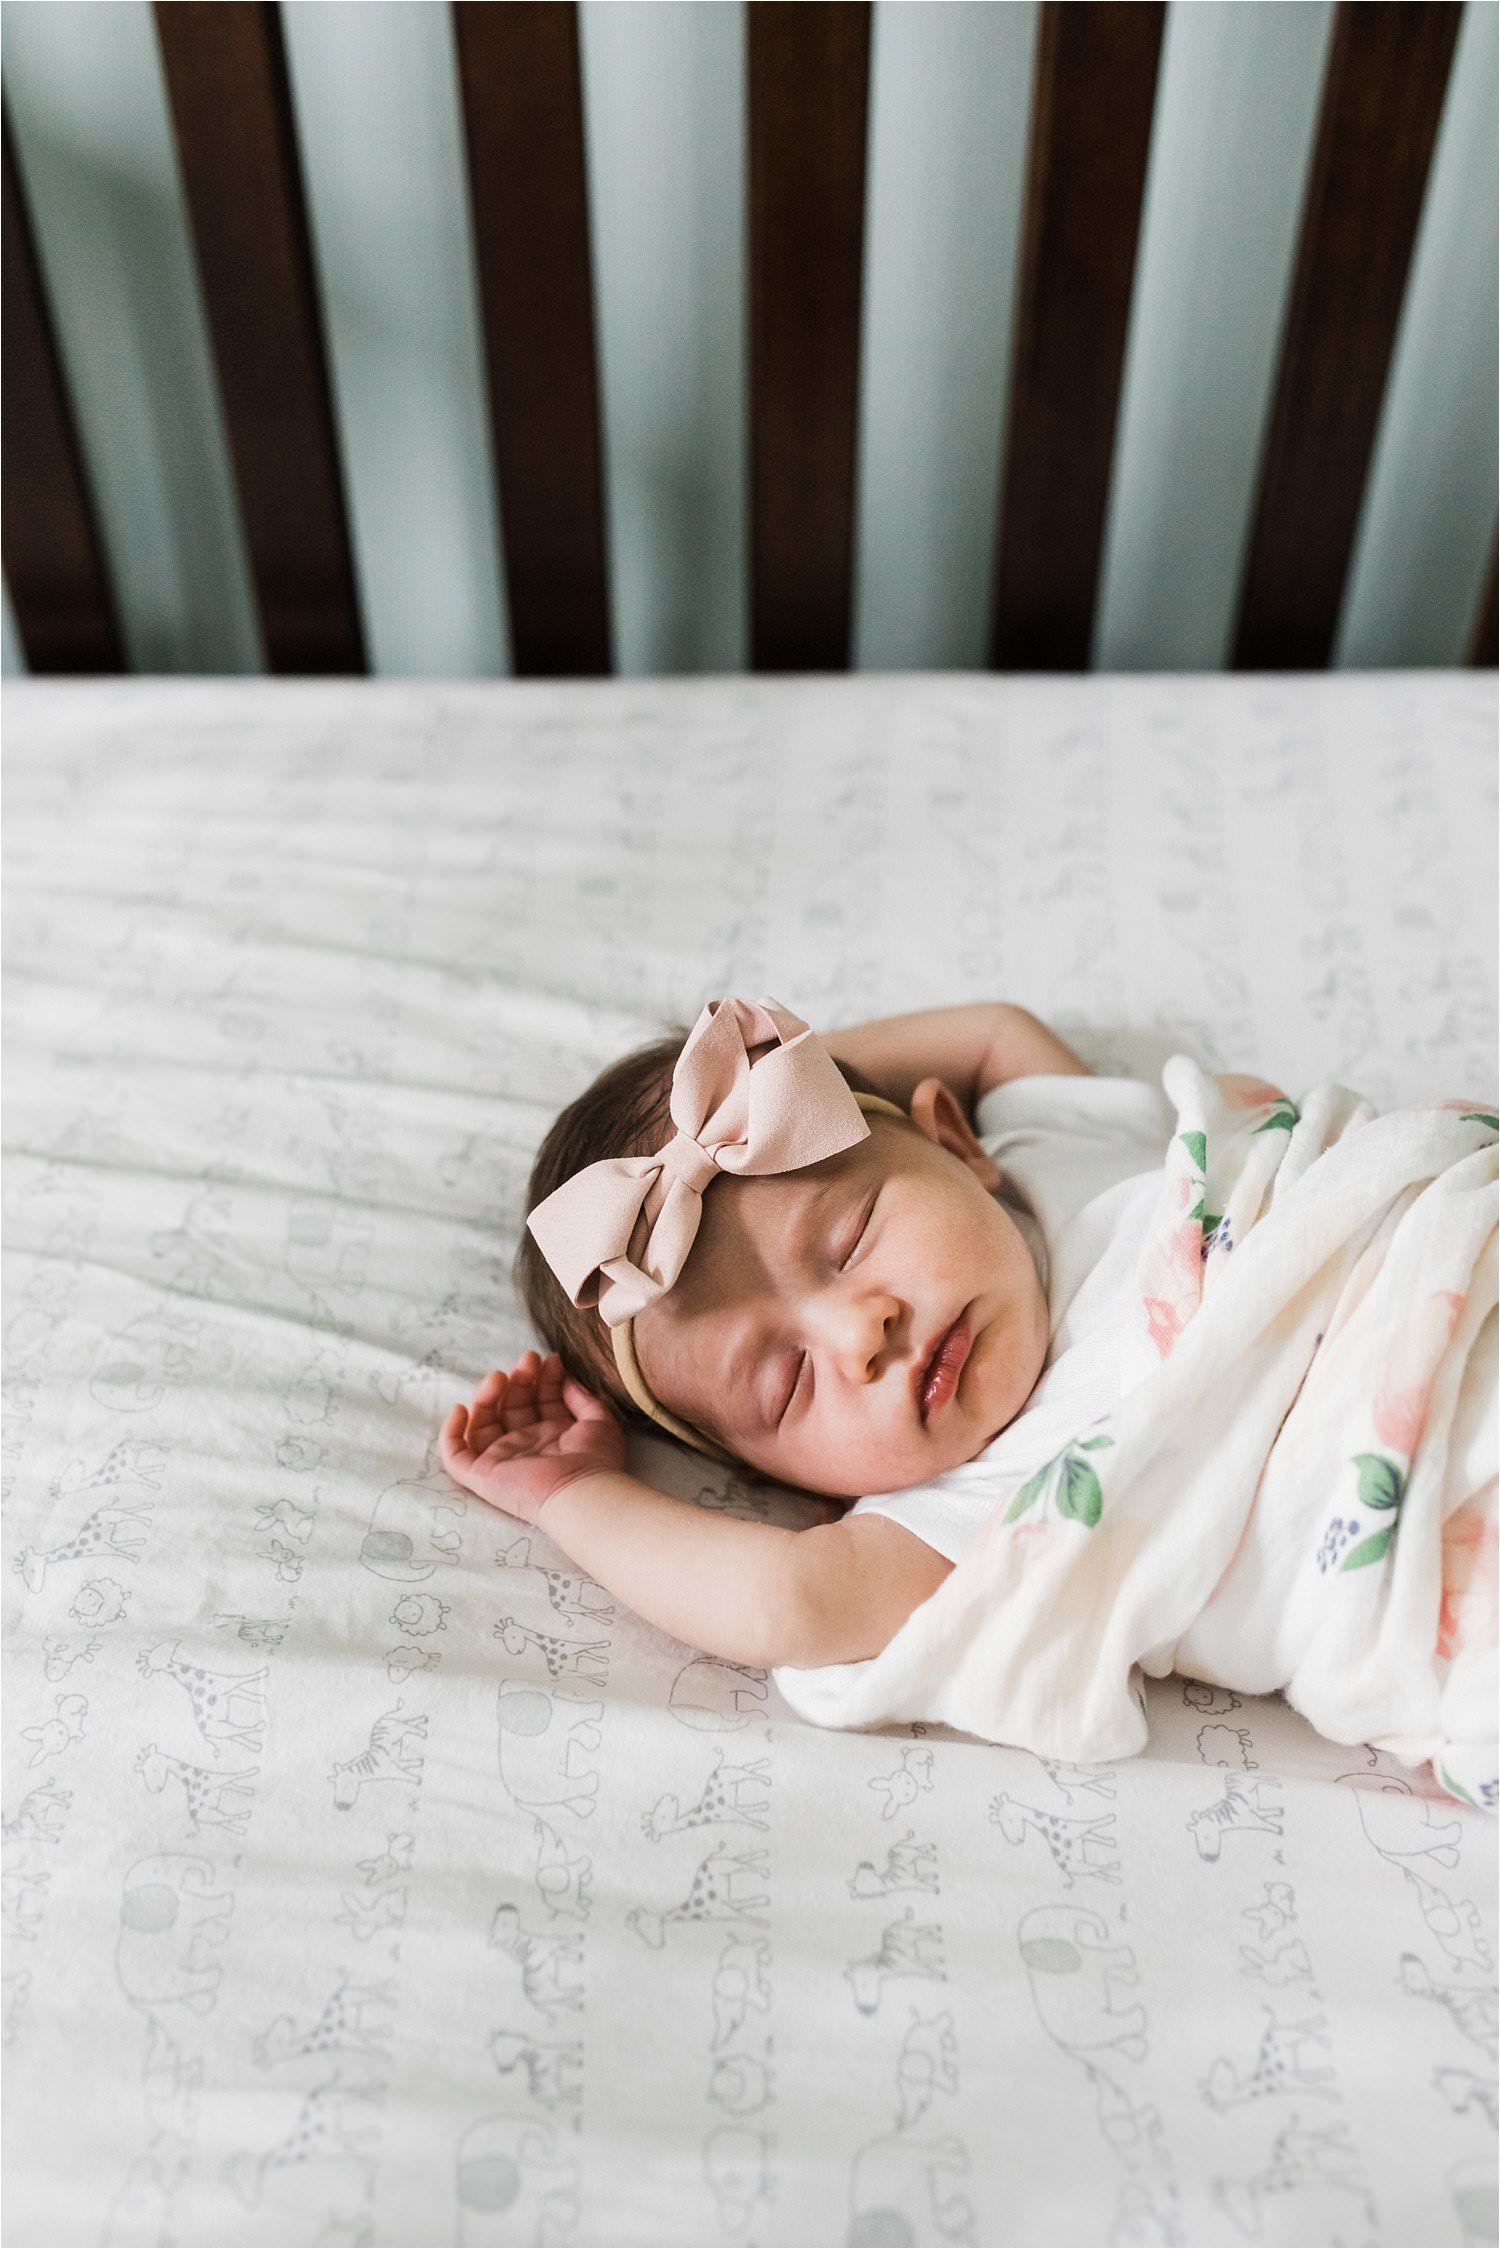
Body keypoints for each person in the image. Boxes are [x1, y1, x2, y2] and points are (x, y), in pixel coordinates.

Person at [439, 995, 1180, 1668]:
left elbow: (994, 1034)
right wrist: (573, 1492)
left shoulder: (1058, 1148)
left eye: (852, 1240)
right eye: (789, 1382)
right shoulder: (973, 1507)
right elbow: (790, 1605)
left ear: (956, 1143)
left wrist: (748, 1094)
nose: (862, 1336)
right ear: (789, 1481)